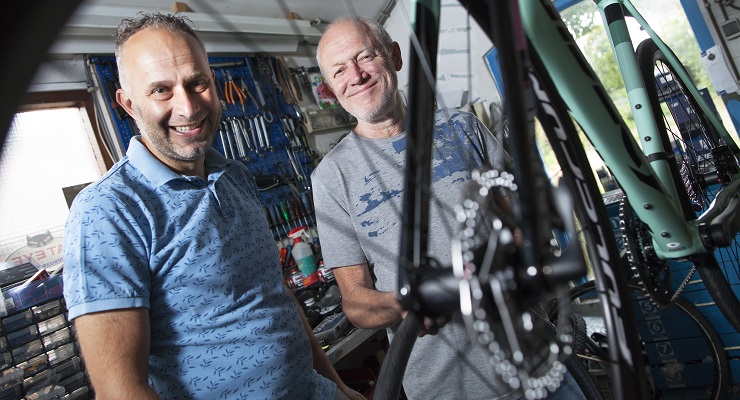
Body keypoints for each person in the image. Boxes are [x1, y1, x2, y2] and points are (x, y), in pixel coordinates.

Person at [62, 12, 363, 400]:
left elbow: (276, 297)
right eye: (161, 90)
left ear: (213, 83)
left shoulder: (235, 176)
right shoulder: (107, 212)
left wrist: (336, 387)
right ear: (128, 104)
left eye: (196, 83)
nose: (188, 107)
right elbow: (121, 391)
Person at [312, 16, 587, 399]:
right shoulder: (331, 177)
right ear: (330, 89)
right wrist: (403, 304)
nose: (355, 76)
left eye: (365, 56)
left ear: (393, 57)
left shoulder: (464, 129)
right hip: (445, 389)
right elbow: (355, 300)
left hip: (537, 363)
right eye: (339, 70)